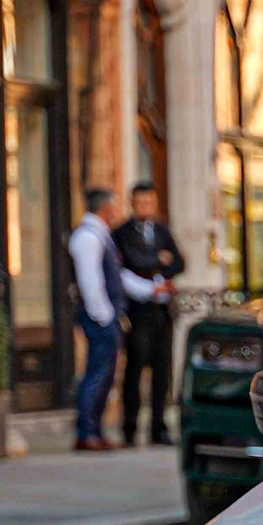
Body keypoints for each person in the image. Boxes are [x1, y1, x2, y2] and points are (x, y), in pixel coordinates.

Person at [68, 187, 159, 452]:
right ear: (105, 208)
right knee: (97, 374)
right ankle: (86, 432)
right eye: (115, 206)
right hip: (100, 317)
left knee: (106, 375)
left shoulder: (100, 235)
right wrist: (104, 315)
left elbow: (118, 276)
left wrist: (152, 290)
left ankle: (95, 430)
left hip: (106, 316)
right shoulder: (87, 237)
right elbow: (90, 281)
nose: (118, 212)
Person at [111, 181, 183, 447]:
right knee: (135, 369)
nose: (145, 207)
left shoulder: (162, 230)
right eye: (140, 203)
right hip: (138, 312)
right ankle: (129, 427)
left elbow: (179, 261)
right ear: (132, 203)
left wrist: (162, 266)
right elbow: (133, 261)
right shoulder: (122, 233)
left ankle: (158, 426)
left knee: (162, 370)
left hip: (162, 312)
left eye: (149, 203)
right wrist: (157, 260)